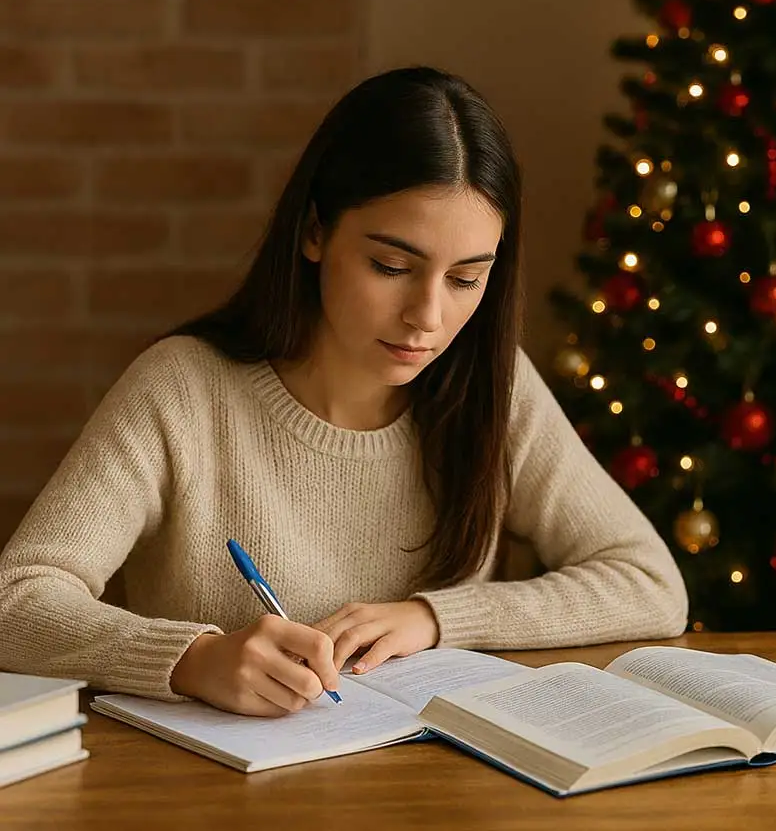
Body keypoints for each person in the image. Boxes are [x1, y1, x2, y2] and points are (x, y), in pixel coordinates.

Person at [0, 66, 687, 718]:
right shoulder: (183, 389)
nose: (428, 317)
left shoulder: (493, 386)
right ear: (314, 232)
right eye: (392, 265)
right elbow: (17, 603)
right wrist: (193, 659)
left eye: (466, 278)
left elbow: (650, 585)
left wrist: (435, 617)